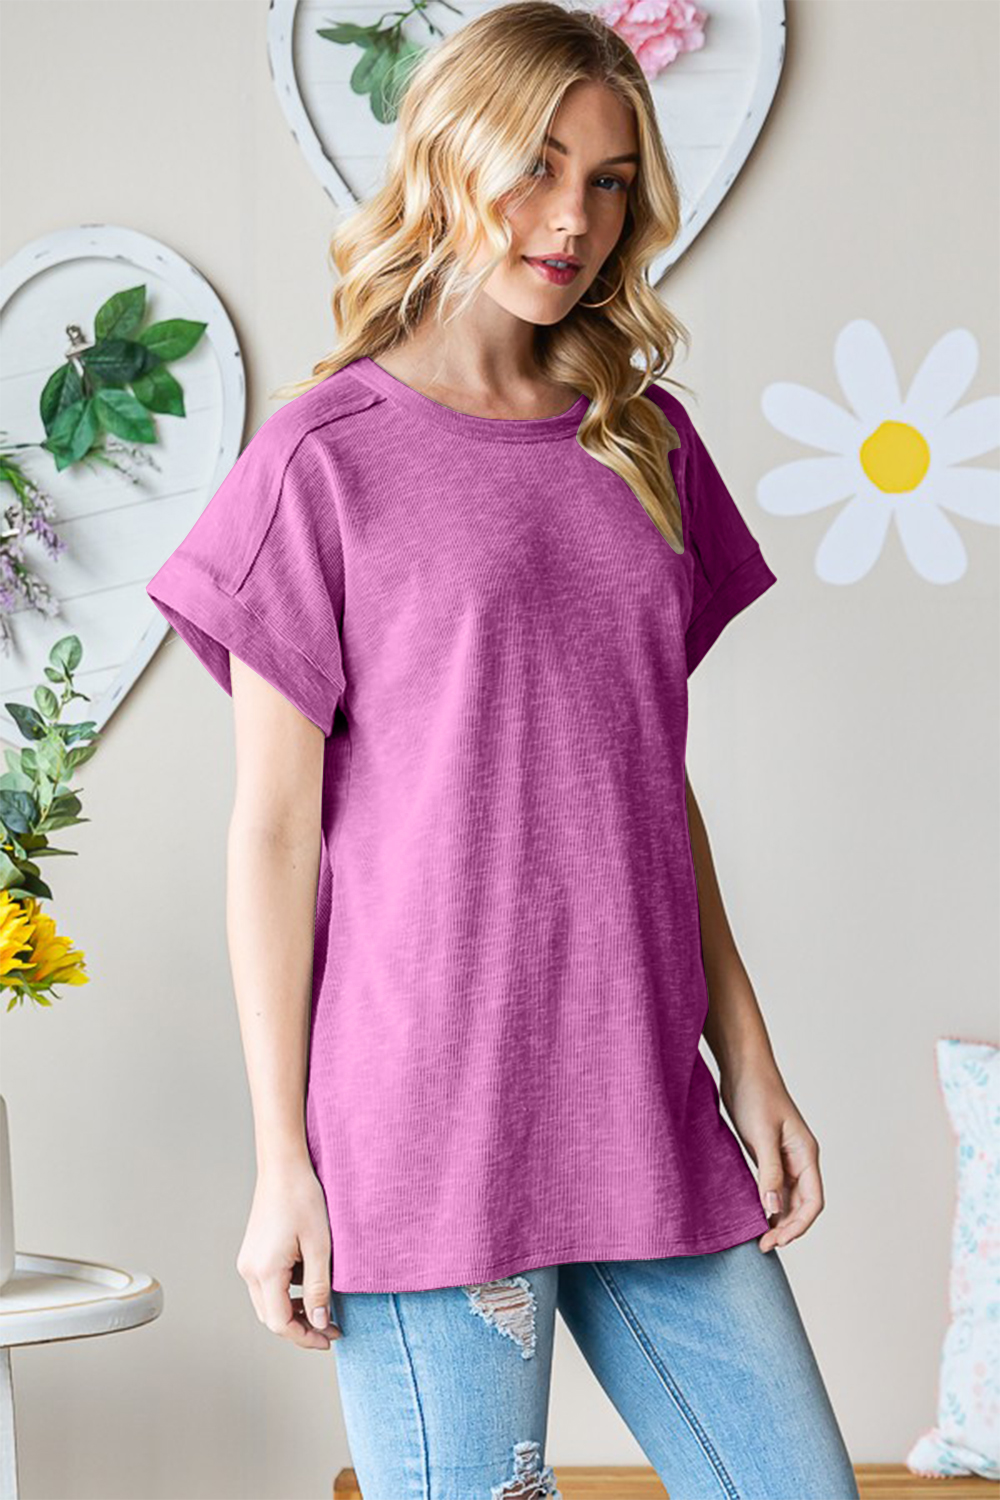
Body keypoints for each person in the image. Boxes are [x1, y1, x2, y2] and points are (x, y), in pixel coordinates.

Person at [146, 3, 860, 1495]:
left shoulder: (645, 441)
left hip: (643, 1095)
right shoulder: (319, 462)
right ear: (449, 159)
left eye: (609, 180)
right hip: (427, 1124)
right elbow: (272, 834)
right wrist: (282, 1162)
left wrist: (749, 1056)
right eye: (538, 165)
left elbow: (642, 775)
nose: (573, 218)